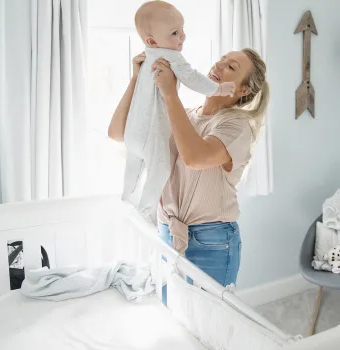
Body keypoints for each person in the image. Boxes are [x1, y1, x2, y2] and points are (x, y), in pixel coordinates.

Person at [109, 47, 269, 287]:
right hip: (168, 232)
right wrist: (137, 79)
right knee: (172, 316)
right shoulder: (183, 115)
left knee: (207, 321)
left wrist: (170, 93)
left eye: (231, 67)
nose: (219, 66)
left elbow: (195, 157)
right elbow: (118, 133)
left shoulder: (238, 125)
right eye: (221, 60)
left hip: (212, 241)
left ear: (243, 90)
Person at [122, 0, 235, 225]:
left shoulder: (145, 58)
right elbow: (193, 78)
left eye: (182, 30)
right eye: (175, 33)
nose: (182, 37)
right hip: (150, 135)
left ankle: (127, 197)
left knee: (133, 167)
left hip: (132, 133)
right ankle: (145, 211)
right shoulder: (171, 57)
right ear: (152, 40)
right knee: (160, 169)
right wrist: (219, 89)